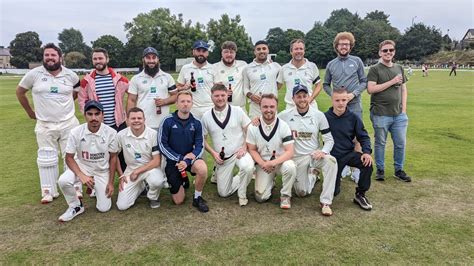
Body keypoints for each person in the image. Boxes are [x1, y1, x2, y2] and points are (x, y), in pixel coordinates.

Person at [16, 43, 80, 204]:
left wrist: (63, 106)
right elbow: (20, 91)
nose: (50, 58)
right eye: (47, 55)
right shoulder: (34, 74)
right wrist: (30, 112)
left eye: (53, 55)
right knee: (47, 157)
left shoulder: (71, 75)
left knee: (72, 155)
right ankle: (48, 190)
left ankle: (75, 186)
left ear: (60, 57)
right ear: (43, 57)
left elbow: (76, 92)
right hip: (45, 124)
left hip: (68, 123)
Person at [279, 84, 338, 216]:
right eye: (298, 96)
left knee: (332, 161)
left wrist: (323, 152)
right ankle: (313, 175)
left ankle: (326, 202)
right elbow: (270, 123)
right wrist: (257, 121)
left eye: (304, 96)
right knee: (301, 192)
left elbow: (329, 140)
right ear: (293, 99)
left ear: (309, 97)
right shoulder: (284, 115)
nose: (302, 99)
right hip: (297, 158)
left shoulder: (319, 115)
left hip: (314, 155)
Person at [57, 101, 118, 222]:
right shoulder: (76, 132)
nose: (94, 118)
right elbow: (69, 157)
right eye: (90, 114)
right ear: (85, 115)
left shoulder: (111, 133)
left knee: (103, 208)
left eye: (97, 114)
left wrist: (110, 183)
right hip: (82, 167)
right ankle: (76, 206)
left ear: (102, 115)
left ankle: (96, 187)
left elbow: (113, 158)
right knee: (63, 181)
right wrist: (82, 175)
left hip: (101, 171)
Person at [323, 32, 367, 182]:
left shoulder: (357, 61)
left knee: (357, 137)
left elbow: (364, 82)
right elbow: (325, 84)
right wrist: (335, 96)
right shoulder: (331, 64)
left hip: (354, 105)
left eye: (347, 44)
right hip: (339, 106)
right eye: (341, 44)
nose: (344, 47)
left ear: (350, 46)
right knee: (338, 136)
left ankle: (356, 168)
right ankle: (343, 166)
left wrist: (353, 94)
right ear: (336, 46)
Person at [79, 47, 129, 179]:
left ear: (107, 59)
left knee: (123, 155)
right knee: (99, 155)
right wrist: (91, 119)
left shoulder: (120, 79)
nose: (98, 61)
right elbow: (82, 101)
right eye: (95, 59)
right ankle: (98, 184)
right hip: (99, 125)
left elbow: (135, 94)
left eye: (100, 58)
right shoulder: (87, 81)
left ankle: (127, 181)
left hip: (118, 124)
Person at [201, 84, 254, 206]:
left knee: (248, 167)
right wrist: (213, 153)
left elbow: (249, 130)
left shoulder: (238, 111)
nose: (220, 98)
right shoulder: (206, 116)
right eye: (217, 96)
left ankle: (242, 194)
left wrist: (244, 147)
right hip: (223, 158)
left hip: (239, 153)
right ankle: (244, 176)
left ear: (227, 95)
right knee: (223, 193)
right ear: (211, 97)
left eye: (223, 95)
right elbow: (202, 140)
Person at [367, 40, 412, 182]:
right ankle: (380, 169)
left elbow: (404, 89)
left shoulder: (399, 67)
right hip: (380, 113)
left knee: (400, 143)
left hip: (399, 115)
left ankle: (399, 170)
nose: (388, 53)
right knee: (380, 143)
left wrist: (403, 109)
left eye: (391, 50)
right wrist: (392, 82)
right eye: (385, 50)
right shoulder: (375, 69)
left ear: (394, 52)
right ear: (380, 52)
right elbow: (371, 89)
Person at [158, 91, 209, 212]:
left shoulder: (197, 122)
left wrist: (187, 160)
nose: (185, 104)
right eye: (182, 101)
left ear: (192, 104)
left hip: (190, 160)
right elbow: (162, 145)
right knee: (178, 201)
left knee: (202, 169)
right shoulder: (167, 121)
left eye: (188, 101)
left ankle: (197, 198)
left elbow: (200, 145)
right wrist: (180, 159)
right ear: (176, 104)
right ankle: (183, 179)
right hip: (173, 161)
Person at [325, 87, 374, 211]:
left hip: (348, 154)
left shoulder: (353, 118)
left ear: (347, 100)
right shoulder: (325, 117)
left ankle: (360, 194)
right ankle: (331, 183)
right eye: (337, 100)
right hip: (332, 158)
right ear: (332, 100)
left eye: (343, 100)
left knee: (367, 163)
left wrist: (367, 152)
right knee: (334, 192)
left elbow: (364, 137)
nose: (341, 103)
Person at [246, 94, 296, 209]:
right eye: (265, 107)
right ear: (260, 107)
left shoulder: (283, 126)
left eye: (272, 107)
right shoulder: (253, 126)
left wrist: (272, 163)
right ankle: (270, 182)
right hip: (263, 164)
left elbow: (290, 151)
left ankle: (285, 195)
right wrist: (264, 164)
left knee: (290, 166)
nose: (269, 110)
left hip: (279, 163)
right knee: (260, 198)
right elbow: (252, 149)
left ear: (277, 107)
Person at [116, 107, 166, 210]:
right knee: (122, 206)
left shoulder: (153, 134)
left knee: (157, 181)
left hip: (150, 168)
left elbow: (156, 161)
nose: (136, 121)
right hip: (131, 170)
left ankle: (153, 196)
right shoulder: (121, 135)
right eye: (133, 118)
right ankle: (141, 186)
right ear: (127, 120)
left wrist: (137, 172)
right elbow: (114, 156)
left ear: (144, 119)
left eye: (139, 118)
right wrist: (121, 175)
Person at [127, 47, 177, 130]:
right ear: (143, 60)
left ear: (158, 59)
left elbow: (175, 95)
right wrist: (129, 119)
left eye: (154, 57)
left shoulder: (167, 77)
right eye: (148, 58)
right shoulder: (136, 78)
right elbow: (131, 100)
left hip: (163, 124)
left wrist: (164, 101)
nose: (151, 61)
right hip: (142, 124)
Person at [277, 39, 322, 110]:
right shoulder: (284, 68)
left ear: (304, 51)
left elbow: (318, 85)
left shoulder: (312, 66)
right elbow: (277, 87)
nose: (299, 51)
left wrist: (311, 98)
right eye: (296, 49)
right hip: (291, 107)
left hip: (309, 106)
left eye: (301, 49)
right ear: (291, 51)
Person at [176, 40, 215, 119]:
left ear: (207, 53)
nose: (201, 53)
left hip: (210, 108)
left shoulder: (213, 68)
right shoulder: (185, 68)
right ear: (193, 52)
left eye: (204, 51)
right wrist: (184, 88)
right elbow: (177, 88)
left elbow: (218, 89)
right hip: (192, 110)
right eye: (198, 51)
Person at [243, 40, 281, 118]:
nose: (261, 51)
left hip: (271, 107)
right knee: (255, 129)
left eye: (264, 48)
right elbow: (245, 88)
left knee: (272, 129)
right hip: (255, 108)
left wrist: (275, 88)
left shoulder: (276, 66)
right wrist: (251, 96)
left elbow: (282, 80)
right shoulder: (247, 68)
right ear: (254, 52)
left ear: (268, 50)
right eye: (258, 49)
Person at [213, 41, 248, 111]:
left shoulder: (243, 65)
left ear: (235, 54)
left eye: (231, 52)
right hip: (222, 109)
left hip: (240, 108)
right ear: (221, 53)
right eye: (226, 52)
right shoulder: (214, 67)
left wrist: (268, 63)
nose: (229, 54)